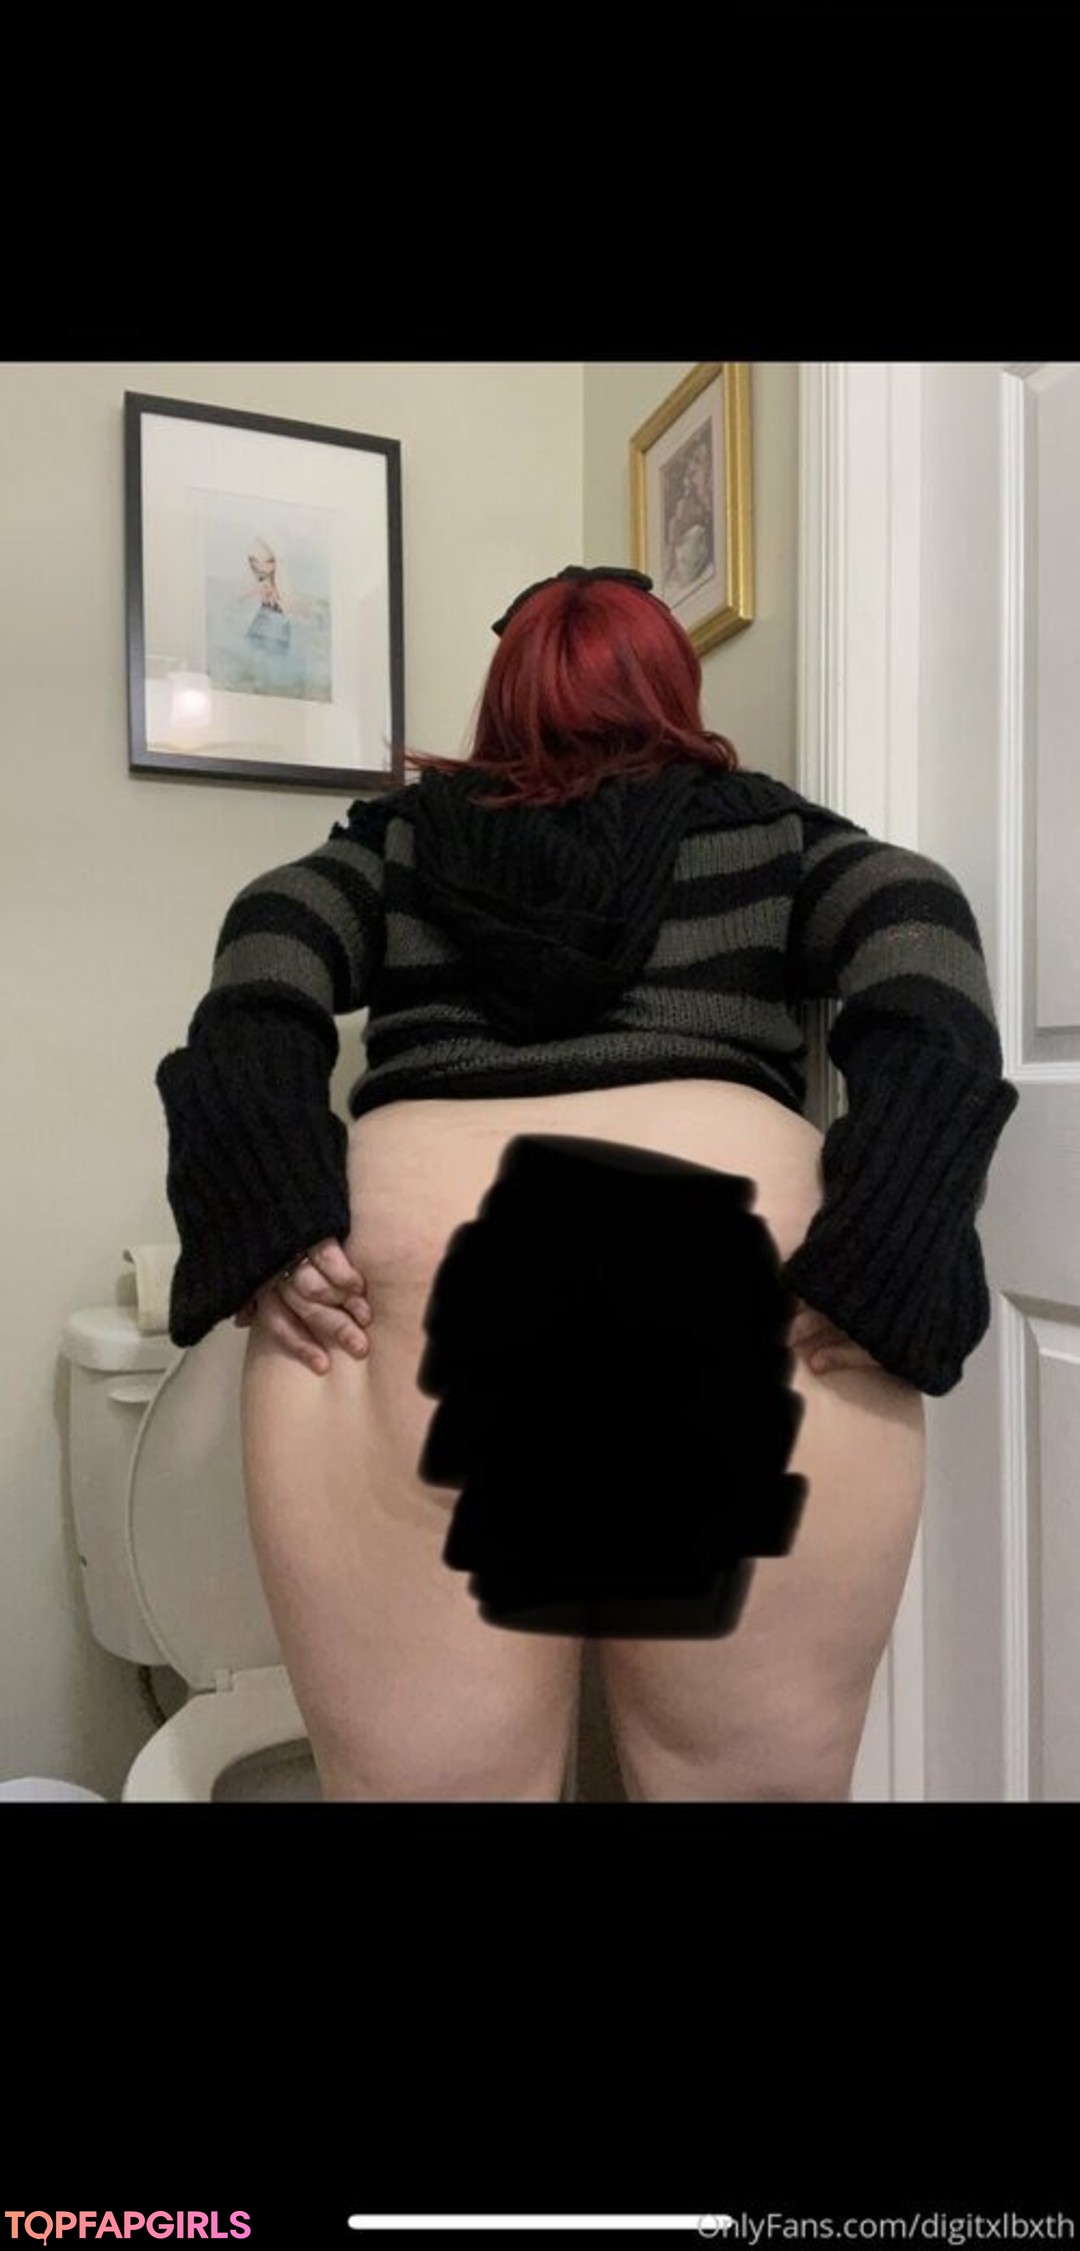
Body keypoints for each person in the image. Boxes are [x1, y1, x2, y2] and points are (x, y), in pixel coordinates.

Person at [156, 563, 1019, 1803]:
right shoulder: (775, 836)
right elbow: (918, 924)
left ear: (504, 695)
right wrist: (899, 1221)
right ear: (673, 690)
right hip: (734, 1290)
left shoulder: (400, 843)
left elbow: (268, 940)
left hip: (423, 1303)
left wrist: (267, 1201)